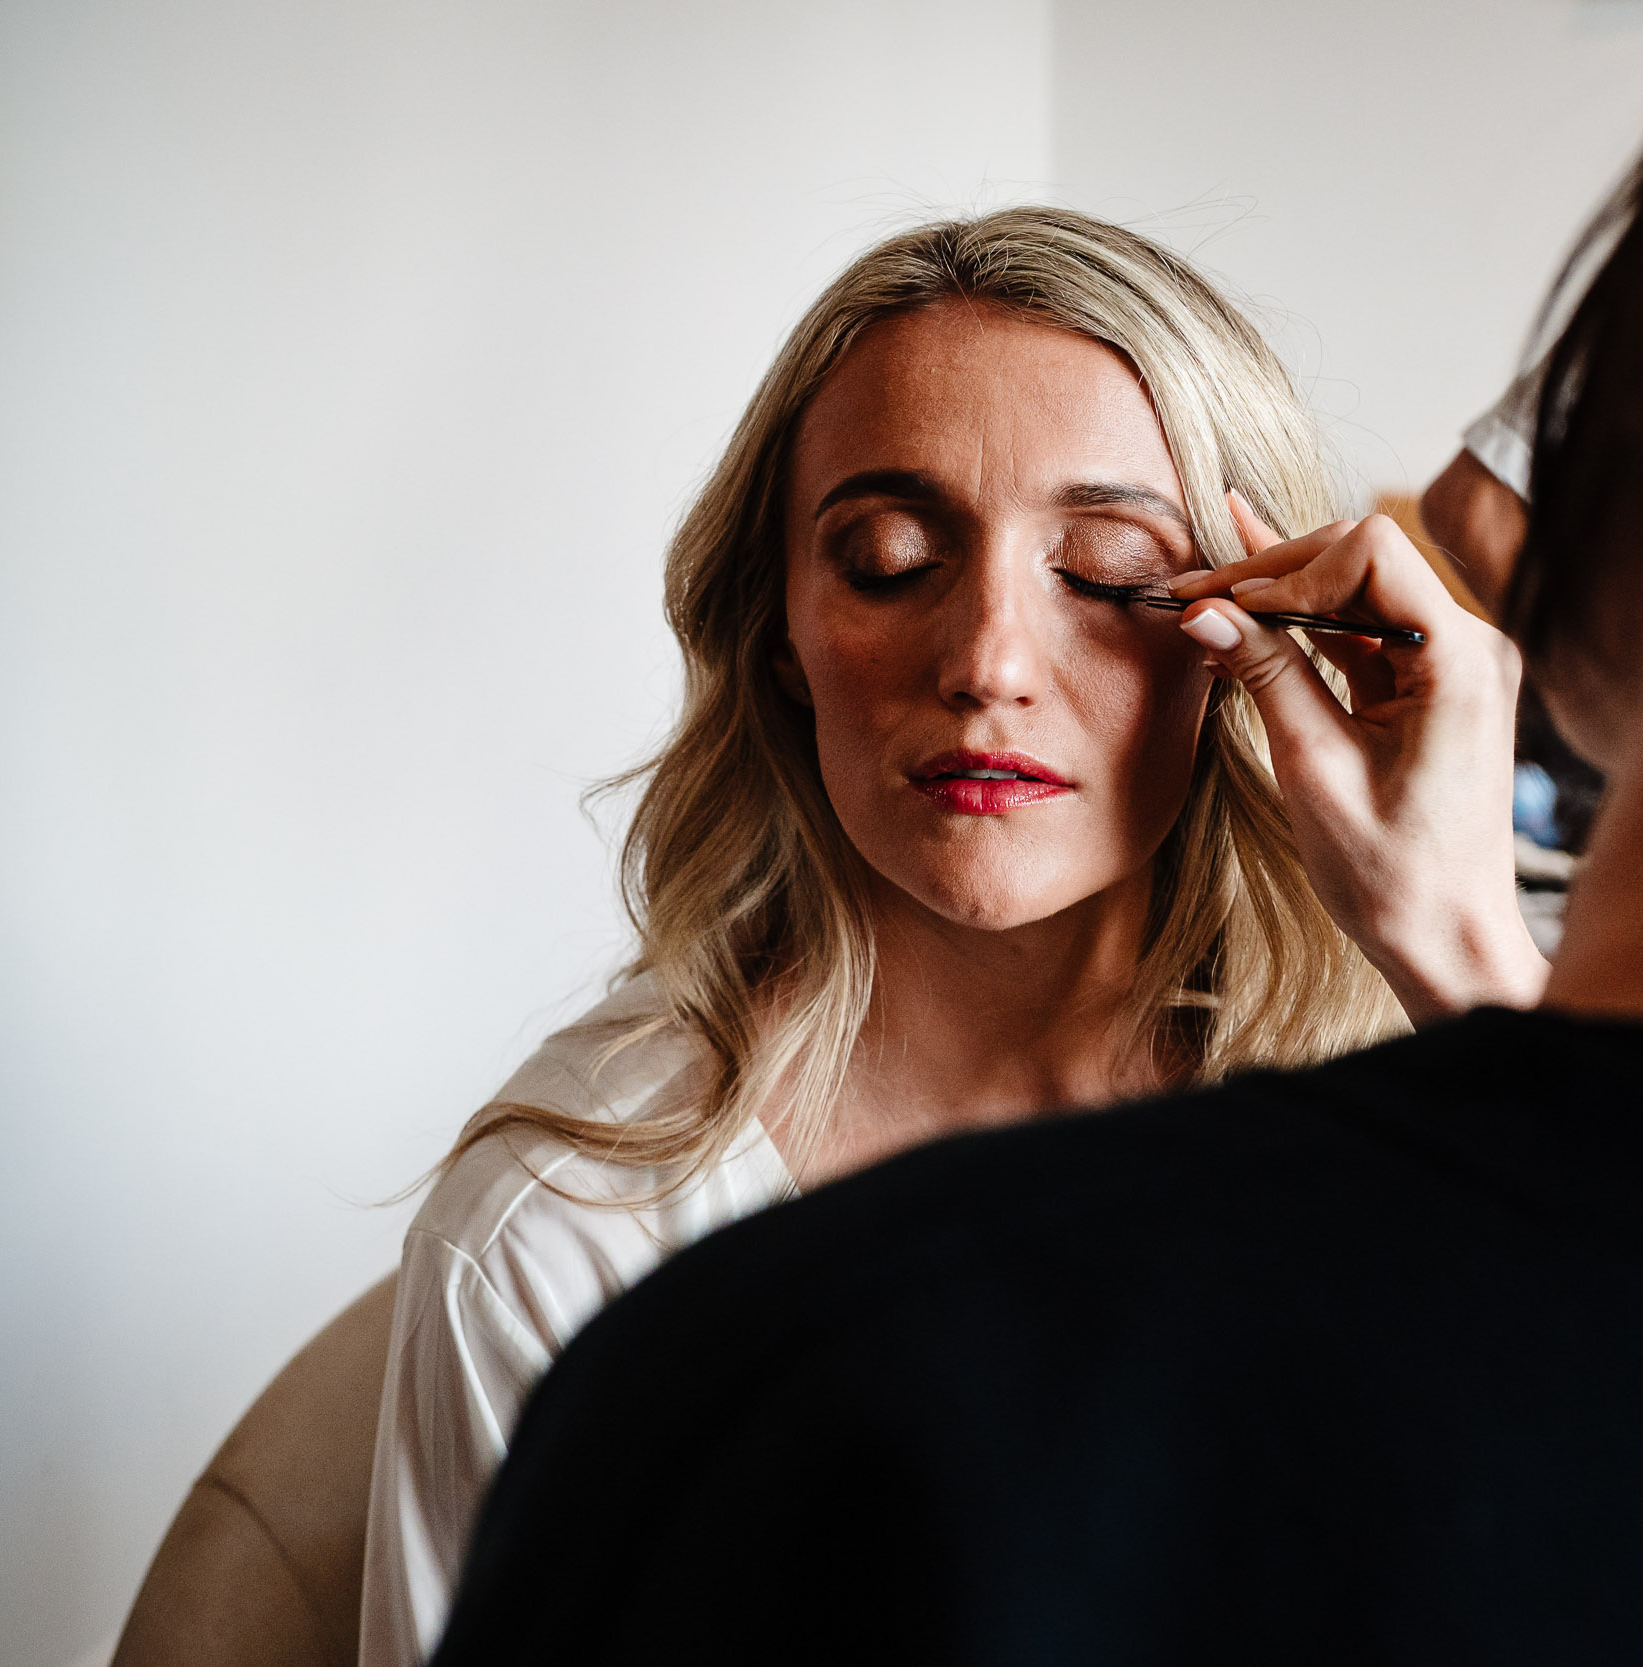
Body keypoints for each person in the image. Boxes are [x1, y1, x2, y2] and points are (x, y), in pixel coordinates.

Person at [424, 156, 1643, 1666]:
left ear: (1248, 627)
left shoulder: (1373, 1092)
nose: (988, 657)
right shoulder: (571, 1230)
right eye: (889, 561)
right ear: (785, 636)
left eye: (1113, 576)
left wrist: (1461, 956)